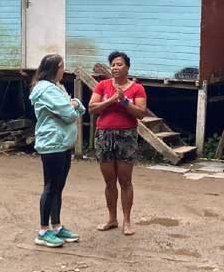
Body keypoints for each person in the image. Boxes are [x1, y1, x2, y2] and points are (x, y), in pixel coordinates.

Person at [29, 53, 84, 248]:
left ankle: (57, 226)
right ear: (54, 69)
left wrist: (74, 104)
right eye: (62, 66)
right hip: (52, 142)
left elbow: (79, 108)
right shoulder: (45, 90)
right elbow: (70, 114)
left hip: (63, 143)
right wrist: (72, 106)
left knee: (58, 187)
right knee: (50, 186)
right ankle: (43, 230)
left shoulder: (57, 88)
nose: (64, 69)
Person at [89, 51, 147, 236]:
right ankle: (112, 219)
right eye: (113, 64)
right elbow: (92, 108)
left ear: (127, 67)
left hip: (126, 136)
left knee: (125, 180)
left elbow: (140, 113)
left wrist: (123, 102)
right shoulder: (102, 85)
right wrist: (112, 99)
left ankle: (127, 221)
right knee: (109, 181)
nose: (115, 67)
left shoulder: (137, 88)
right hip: (104, 135)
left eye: (119, 64)